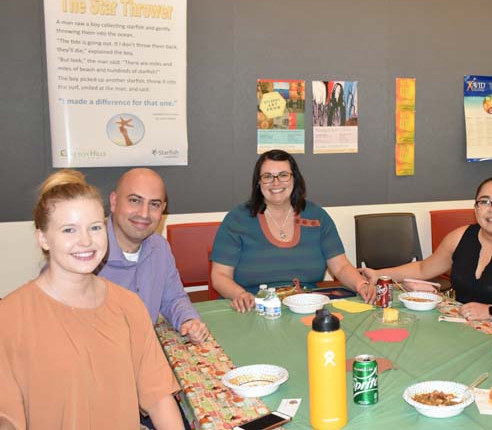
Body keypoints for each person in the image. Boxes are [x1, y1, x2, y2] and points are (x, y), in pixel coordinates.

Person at [0, 170, 182, 429]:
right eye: (69, 230)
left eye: (95, 227)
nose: (86, 241)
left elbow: (159, 397)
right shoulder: (10, 318)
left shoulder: (129, 306)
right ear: (43, 238)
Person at [210, 149, 376, 312]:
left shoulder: (317, 216)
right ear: (258, 182)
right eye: (267, 177)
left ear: (294, 179)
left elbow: (340, 267)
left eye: (283, 175)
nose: (276, 183)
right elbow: (219, 275)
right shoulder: (237, 219)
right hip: (254, 307)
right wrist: (240, 295)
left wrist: (361, 285)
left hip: (307, 306)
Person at [362, 177, 492, 321]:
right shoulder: (460, 237)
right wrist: (379, 274)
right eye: (484, 202)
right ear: (476, 209)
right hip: (461, 326)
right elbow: (423, 269)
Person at [98, 168, 210, 344]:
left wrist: (189, 320)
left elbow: (173, 298)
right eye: (135, 200)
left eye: (154, 204)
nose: (144, 213)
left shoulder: (159, 247)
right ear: (114, 201)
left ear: (163, 210)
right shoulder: (85, 252)